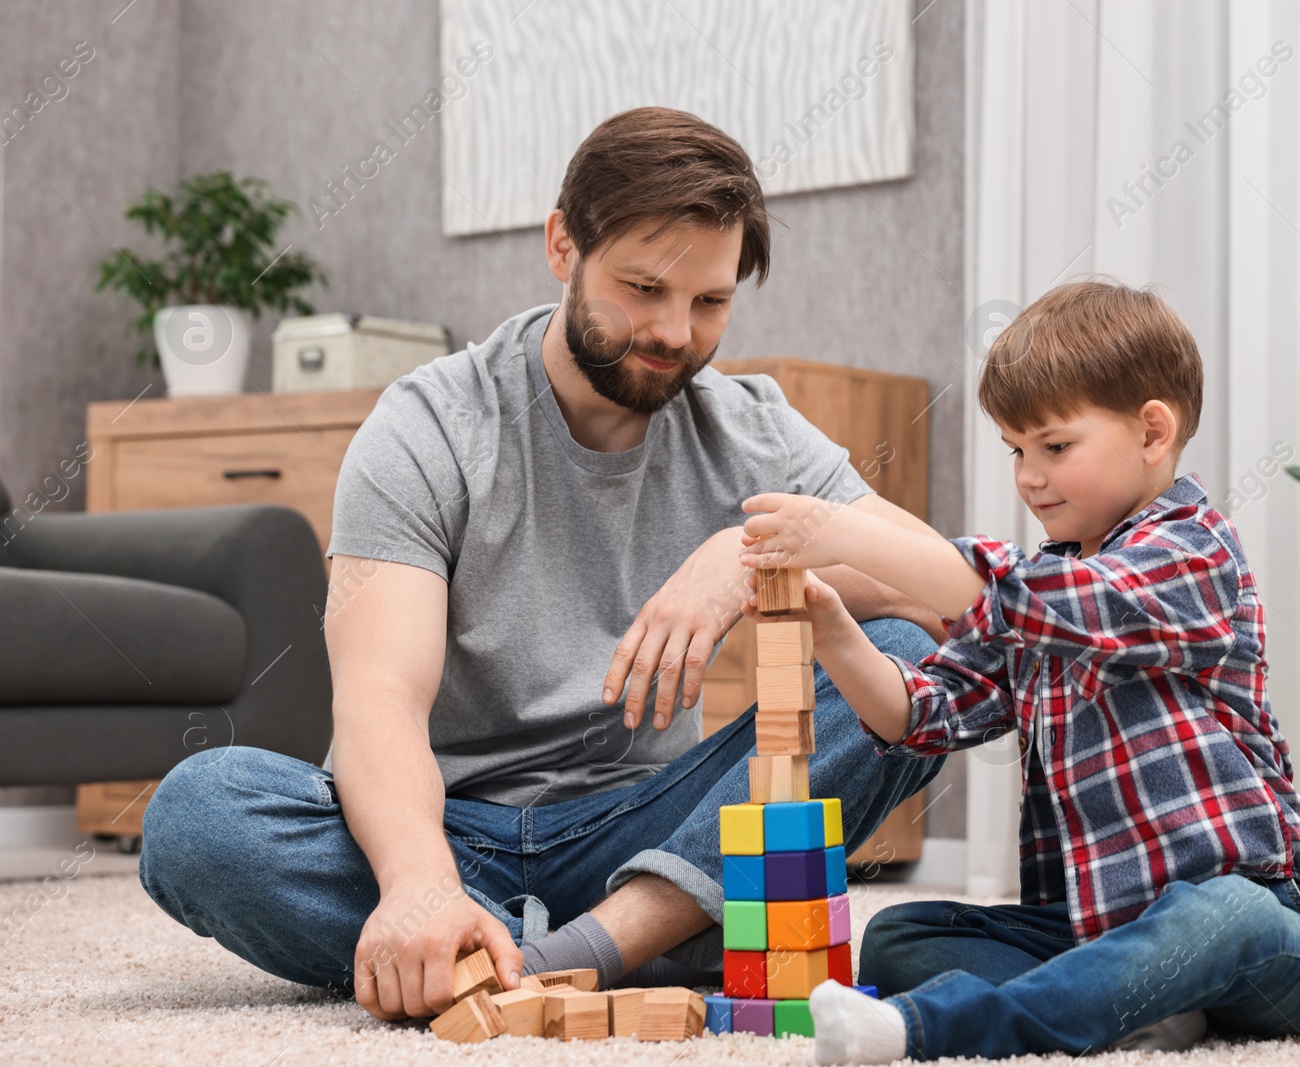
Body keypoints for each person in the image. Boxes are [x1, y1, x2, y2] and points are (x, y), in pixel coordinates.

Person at [138, 106, 945, 1021]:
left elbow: (960, 601)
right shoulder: (429, 426)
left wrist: (748, 552)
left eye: (710, 302)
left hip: (646, 826)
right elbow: (378, 697)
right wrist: (418, 884)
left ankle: (588, 947)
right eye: (644, 287)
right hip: (443, 828)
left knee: (904, 664)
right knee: (200, 814)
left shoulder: (748, 428)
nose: (676, 332)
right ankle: (588, 932)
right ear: (563, 244)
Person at [737, 279, 1300, 1064]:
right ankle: (1137, 1002)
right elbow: (924, 712)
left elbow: (1052, 602)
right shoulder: (1044, 584)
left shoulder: (1194, 551)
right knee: (902, 937)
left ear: (1152, 431)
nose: (1030, 476)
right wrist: (834, 633)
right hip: (1102, 922)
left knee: (1221, 914)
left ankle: (939, 1029)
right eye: (1016, 450)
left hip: (1281, 930)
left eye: (1055, 447)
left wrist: (846, 531)